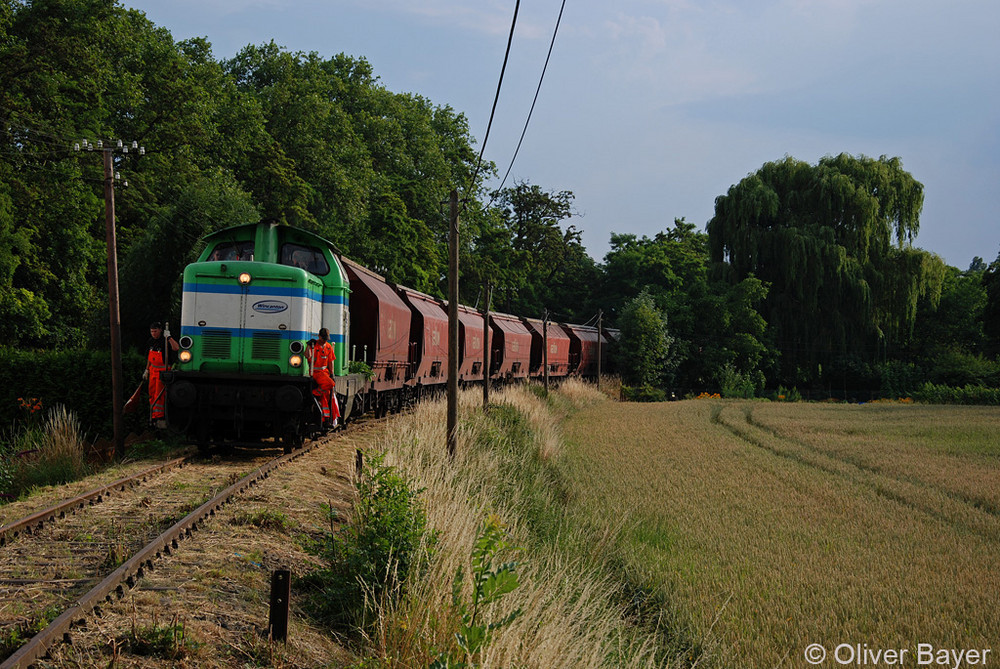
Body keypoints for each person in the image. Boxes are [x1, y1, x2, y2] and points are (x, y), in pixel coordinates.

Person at [146, 321, 179, 425]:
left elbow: (176, 348)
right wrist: (146, 370)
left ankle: (159, 417)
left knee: (159, 395)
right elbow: (149, 358)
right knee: (151, 394)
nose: (153, 333)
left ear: (160, 330)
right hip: (152, 372)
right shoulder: (151, 341)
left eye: (155, 331)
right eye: (151, 331)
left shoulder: (165, 341)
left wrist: (169, 337)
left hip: (162, 372)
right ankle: (152, 415)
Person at [308, 328, 340, 428]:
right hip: (316, 372)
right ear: (319, 336)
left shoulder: (329, 347)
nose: (325, 340)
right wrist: (308, 346)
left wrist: (332, 373)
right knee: (330, 384)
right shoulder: (314, 346)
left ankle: (325, 418)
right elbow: (307, 356)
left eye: (326, 339)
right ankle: (314, 393)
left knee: (326, 394)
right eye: (323, 338)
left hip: (324, 372)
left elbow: (331, 361)